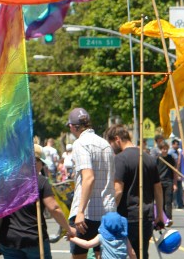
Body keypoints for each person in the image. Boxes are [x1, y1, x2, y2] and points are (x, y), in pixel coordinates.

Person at [0, 144, 74, 258]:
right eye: (41, 163)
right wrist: (68, 228)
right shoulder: (40, 181)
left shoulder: (6, 180)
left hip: (9, 238)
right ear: (35, 162)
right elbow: (54, 208)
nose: (41, 167)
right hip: (34, 238)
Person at [104, 125, 164, 259]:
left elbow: (118, 191)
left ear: (117, 139)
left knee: (125, 254)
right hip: (146, 215)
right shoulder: (148, 158)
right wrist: (159, 214)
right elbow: (158, 189)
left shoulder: (120, 159)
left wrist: (110, 213)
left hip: (127, 216)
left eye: (111, 143)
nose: (111, 148)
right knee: (142, 253)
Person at [67, 108, 116, 259]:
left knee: (79, 255)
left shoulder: (80, 144)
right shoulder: (105, 144)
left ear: (73, 127)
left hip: (87, 212)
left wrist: (80, 211)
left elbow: (89, 177)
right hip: (107, 211)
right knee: (102, 255)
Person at [68, 211, 135, 259]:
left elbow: (87, 244)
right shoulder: (124, 238)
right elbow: (132, 253)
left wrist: (73, 239)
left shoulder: (102, 237)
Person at [155, 141, 176, 225]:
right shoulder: (157, 158)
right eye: (163, 149)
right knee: (161, 202)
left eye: (166, 149)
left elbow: (174, 171)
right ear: (160, 149)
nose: (165, 151)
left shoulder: (170, 158)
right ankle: (162, 218)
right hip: (159, 182)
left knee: (168, 201)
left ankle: (169, 218)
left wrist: (174, 183)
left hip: (169, 181)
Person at [168, 139, 184, 210]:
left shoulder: (178, 152)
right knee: (174, 189)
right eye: (176, 144)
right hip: (173, 173)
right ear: (173, 145)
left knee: (179, 188)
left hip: (178, 172)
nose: (177, 145)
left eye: (178, 144)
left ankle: (179, 203)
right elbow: (175, 164)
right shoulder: (170, 153)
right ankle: (174, 202)